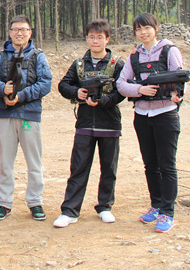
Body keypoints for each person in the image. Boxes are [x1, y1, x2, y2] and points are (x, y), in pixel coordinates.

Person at [116, 12, 184, 233]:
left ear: (156, 28)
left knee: (167, 165)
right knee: (150, 165)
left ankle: (167, 212)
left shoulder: (169, 51)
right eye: (138, 29)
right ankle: (156, 205)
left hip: (165, 114)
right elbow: (121, 84)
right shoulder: (134, 57)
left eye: (147, 28)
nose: (143, 32)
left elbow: (179, 78)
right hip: (142, 115)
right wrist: (140, 90)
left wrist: (175, 94)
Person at [54, 19, 125, 228]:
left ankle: (105, 207)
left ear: (107, 39)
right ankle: (70, 211)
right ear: (86, 38)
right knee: (78, 167)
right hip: (85, 123)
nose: (95, 41)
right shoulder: (79, 64)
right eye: (92, 37)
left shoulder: (117, 64)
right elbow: (63, 85)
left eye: (100, 37)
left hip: (109, 123)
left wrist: (104, 101)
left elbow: (122, 91)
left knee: (109, 168)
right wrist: (77, 92)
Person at [0, 15, 52, 222]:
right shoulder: (1, 56)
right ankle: (4, 203)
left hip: (29, 115)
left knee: (34, 162)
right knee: (5, 162)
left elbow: (45, 83)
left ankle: (35, 201)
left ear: (30, 33)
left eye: (23, 30)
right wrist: (3, 90)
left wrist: (21, 96)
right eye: (15, 29)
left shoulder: (38, 56)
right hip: (5, 115)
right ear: (10, 32)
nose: (19, 33)